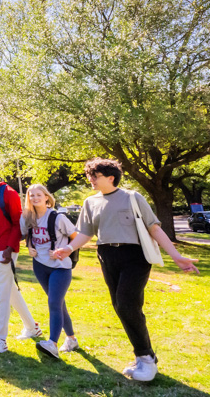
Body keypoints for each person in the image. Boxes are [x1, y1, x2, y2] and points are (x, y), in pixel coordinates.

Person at [53, 158, 199, 382]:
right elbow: (86, 233)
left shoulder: (133, 197)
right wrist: (69, 248)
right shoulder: (90, 202)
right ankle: (143, 355)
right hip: (106, 256)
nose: (90, 179)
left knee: (127, 303)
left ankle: (146, 358)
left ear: (110, 177)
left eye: (95, 176)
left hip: (135, 256)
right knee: (120, 306)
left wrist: (176, 257)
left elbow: (154, 228)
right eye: (89, 176)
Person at [0, 160, 42, 354]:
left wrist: (10, 247)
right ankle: (32, 327)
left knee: (1, 294)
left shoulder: (8, 193)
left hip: (6, 251)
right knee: (9, 289)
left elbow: (16, 223)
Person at [20, 183, 79, 359]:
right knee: (58, 303)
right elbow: (26, 237)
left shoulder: (58, 218)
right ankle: (71, 339)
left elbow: (76, 238)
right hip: (40, 265)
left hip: (60, 267)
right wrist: (29, 247)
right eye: (31, 195)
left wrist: (64, 250)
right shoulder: (27, 217)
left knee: (54, 302)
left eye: (39, 195)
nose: (35, 198)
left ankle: (52, 343)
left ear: (47, 197)